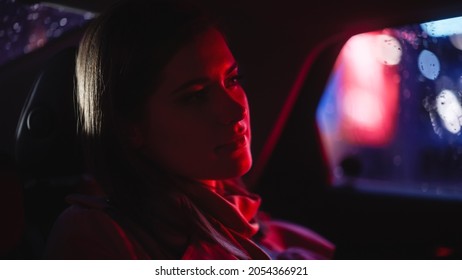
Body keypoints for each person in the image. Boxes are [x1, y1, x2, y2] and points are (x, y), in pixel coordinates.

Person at [44, 0, 335, 259]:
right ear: (130, 127)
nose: (235, 111)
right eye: (195, 96)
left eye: (232, 80)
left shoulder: (229, 207)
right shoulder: (97, 234)